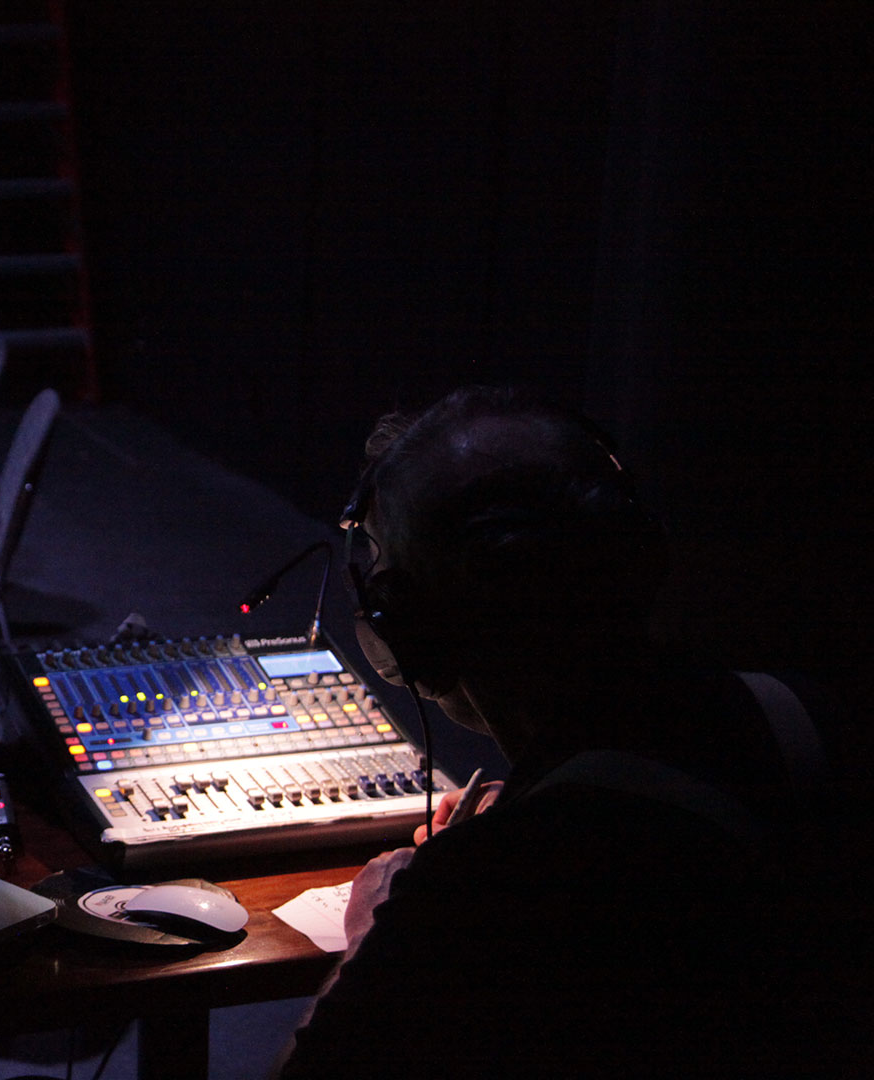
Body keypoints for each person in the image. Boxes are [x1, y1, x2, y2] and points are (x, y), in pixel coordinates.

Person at [276, 386, 860, 1077]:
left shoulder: (483, 888)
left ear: (410, 631)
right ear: (642, 550)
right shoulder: (819, 718)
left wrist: (377, 931)